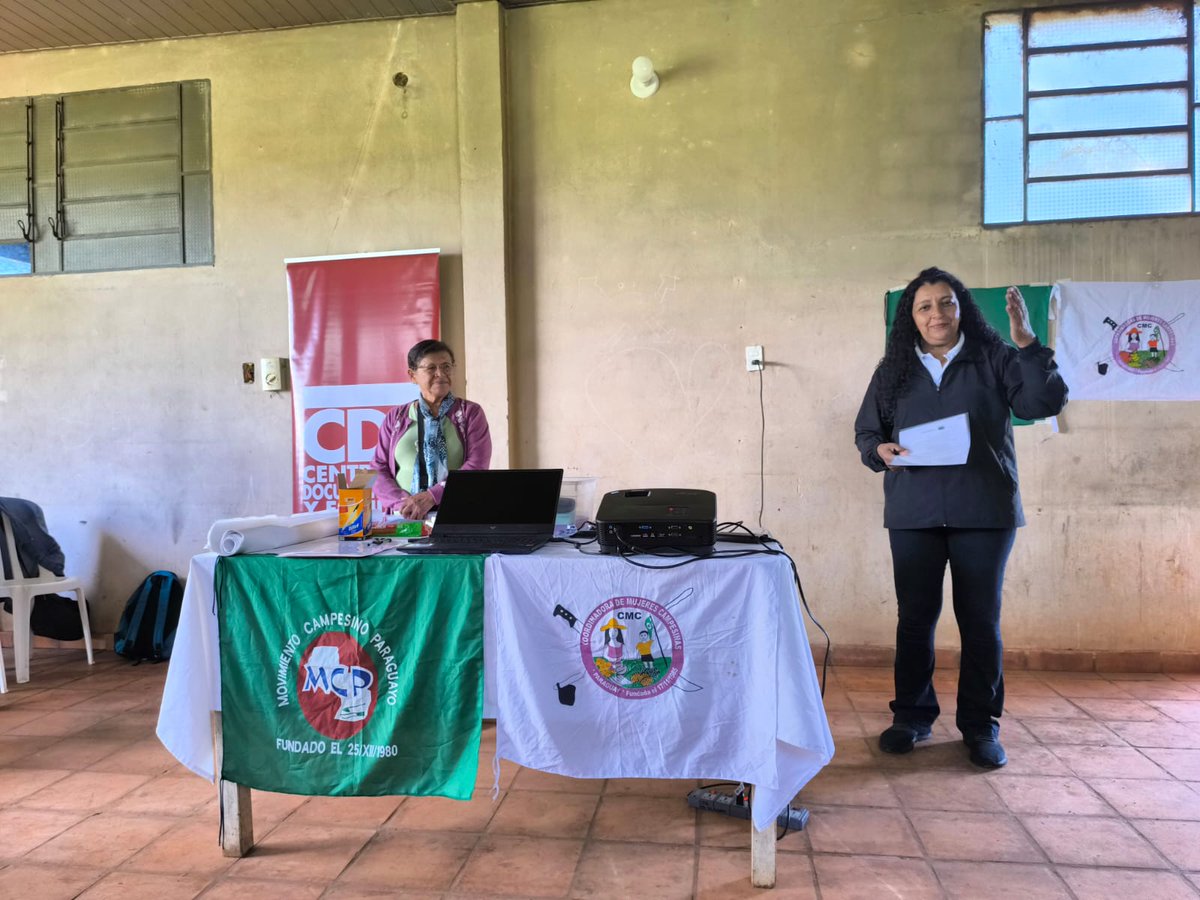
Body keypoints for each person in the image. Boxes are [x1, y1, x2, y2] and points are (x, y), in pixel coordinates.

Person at [854, 267, 1067, 769]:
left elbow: (1043, 401)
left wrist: (1028, 344)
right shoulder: (893, 370)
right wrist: (878, 451)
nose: (937, 314)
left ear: (961, 308)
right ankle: (911, 717)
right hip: (914, 511)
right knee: (915, 620)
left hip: (983, 510)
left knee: (980, 622)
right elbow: (867, 433)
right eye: (925, 306)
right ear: (911, 317)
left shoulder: (995, 356)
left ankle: (980, 725)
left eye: (946, 303)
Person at [369, 339, 492, 520]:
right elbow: (378, 468)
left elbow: (477, 466)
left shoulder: (470, 413)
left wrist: (432, 496)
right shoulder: (396, 417)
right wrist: (403, 503)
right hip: (404, 517)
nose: (440, 374)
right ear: (412, 375)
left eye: (446, 367)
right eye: (431, 368)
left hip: (457, 514)